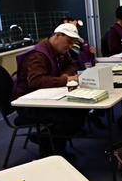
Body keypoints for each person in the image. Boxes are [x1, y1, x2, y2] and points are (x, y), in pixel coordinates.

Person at [12, 23, 86, 157]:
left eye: (72, 44)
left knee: (80, 111)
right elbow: (36, 81)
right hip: (29, 106)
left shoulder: (58, 51)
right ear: (58, 35)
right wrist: (66, 79)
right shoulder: (38, 55)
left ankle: (50, 143)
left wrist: (65, 74)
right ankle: (51, 150)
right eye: (68, 42)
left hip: (46, 99)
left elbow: (71, 65)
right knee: (68, 118)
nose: (70, 47)